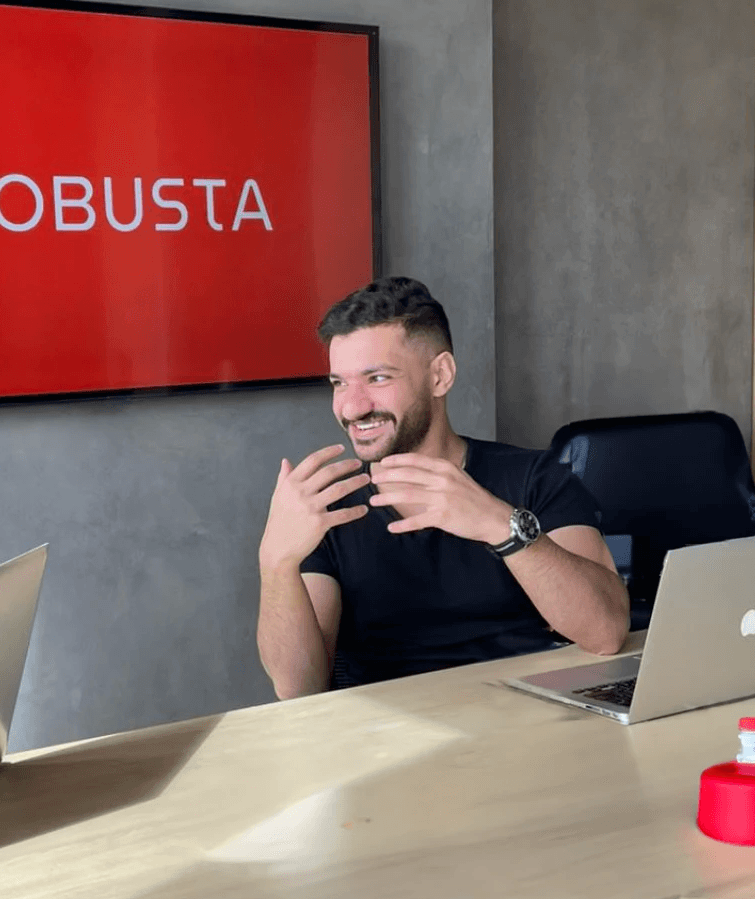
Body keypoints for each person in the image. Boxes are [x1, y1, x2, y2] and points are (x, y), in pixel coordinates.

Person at [256, 276, 630, 699]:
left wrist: (501, 526)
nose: (351, 406)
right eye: (339, 382)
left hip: (529, 724)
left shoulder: (534, 477)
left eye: (377, 378)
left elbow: (606, 633)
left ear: (440, 376)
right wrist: (275, 562)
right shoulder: (329, 509)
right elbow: (297, 689)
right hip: (394, 736)